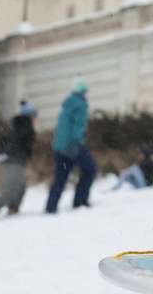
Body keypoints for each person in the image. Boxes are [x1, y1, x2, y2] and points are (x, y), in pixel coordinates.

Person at [45, 80, 96, 214]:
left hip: (59, 147)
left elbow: (61, 128)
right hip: (73, 145)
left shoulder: (67, 105)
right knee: (90, 170)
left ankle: (51, 207)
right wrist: (77, 142)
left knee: (60, 177)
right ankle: (80, 201)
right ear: (83, 92)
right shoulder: (80, 105)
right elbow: (78, 127)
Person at [0, 101, 37, 219]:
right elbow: (13, 143)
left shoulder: (19, 127)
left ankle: (13, 208)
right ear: (30, 116)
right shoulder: (25, 127)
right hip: (14, 160)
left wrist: (1, 152)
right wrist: (5, 153)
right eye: (34, 116)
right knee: (13, 187)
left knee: (21, 186)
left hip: (16, 160)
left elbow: (7, 140)